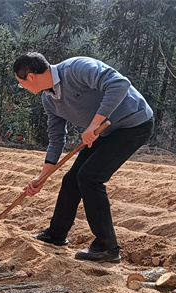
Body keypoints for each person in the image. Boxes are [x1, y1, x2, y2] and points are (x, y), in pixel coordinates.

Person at [13, 52, 154, 263]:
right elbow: (56, 138)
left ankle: (107, 247)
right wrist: (41, 178)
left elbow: (120, 84)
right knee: (72, 179)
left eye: (21, 83)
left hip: (133, 124)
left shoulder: (77, 68)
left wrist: (95, 123)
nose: (22, 87)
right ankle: (57, 233)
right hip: (102, 131)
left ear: (30, 77)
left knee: (90, 177)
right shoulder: (49, 100)